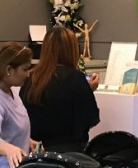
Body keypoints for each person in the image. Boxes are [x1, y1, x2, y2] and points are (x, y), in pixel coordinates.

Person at [21, 25, 100, 153]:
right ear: (72, 49)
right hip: (68, 155)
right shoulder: (75, 78)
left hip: (35, 152)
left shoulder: (31, 78)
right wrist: (86, 90)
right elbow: (89, 118)